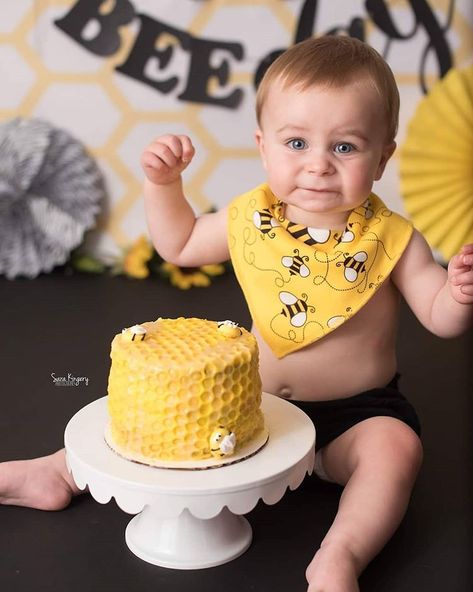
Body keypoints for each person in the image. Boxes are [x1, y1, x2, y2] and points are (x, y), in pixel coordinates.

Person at [0, 35, 472, 591]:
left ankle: (340, 554)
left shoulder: (393, 238)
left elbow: (439, 317)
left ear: (382, 156)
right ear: (264, 146)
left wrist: (458, 294)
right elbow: (178, 245)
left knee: (397, 452)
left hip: (358, 415)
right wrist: (164, 185)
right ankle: (58, 471)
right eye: (296, 142)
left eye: (345, 147)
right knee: (159, 410)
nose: (318, 166)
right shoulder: (252, 220)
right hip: (254, 407)